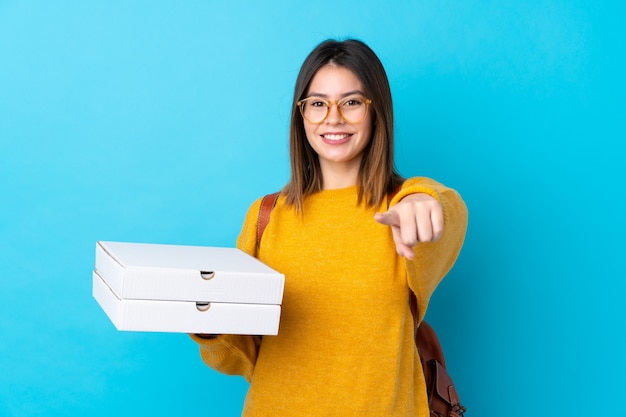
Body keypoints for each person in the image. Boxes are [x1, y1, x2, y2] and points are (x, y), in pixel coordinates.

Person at [190, 39, 468, 417]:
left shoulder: (403, 212)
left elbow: (450, 214)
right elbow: (240, 358)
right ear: (301, 115)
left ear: (376, 112)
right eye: (318, 104)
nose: (332, 118)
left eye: (352, 102)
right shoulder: (266, 216)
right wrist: (208, 325)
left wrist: (421, 197)